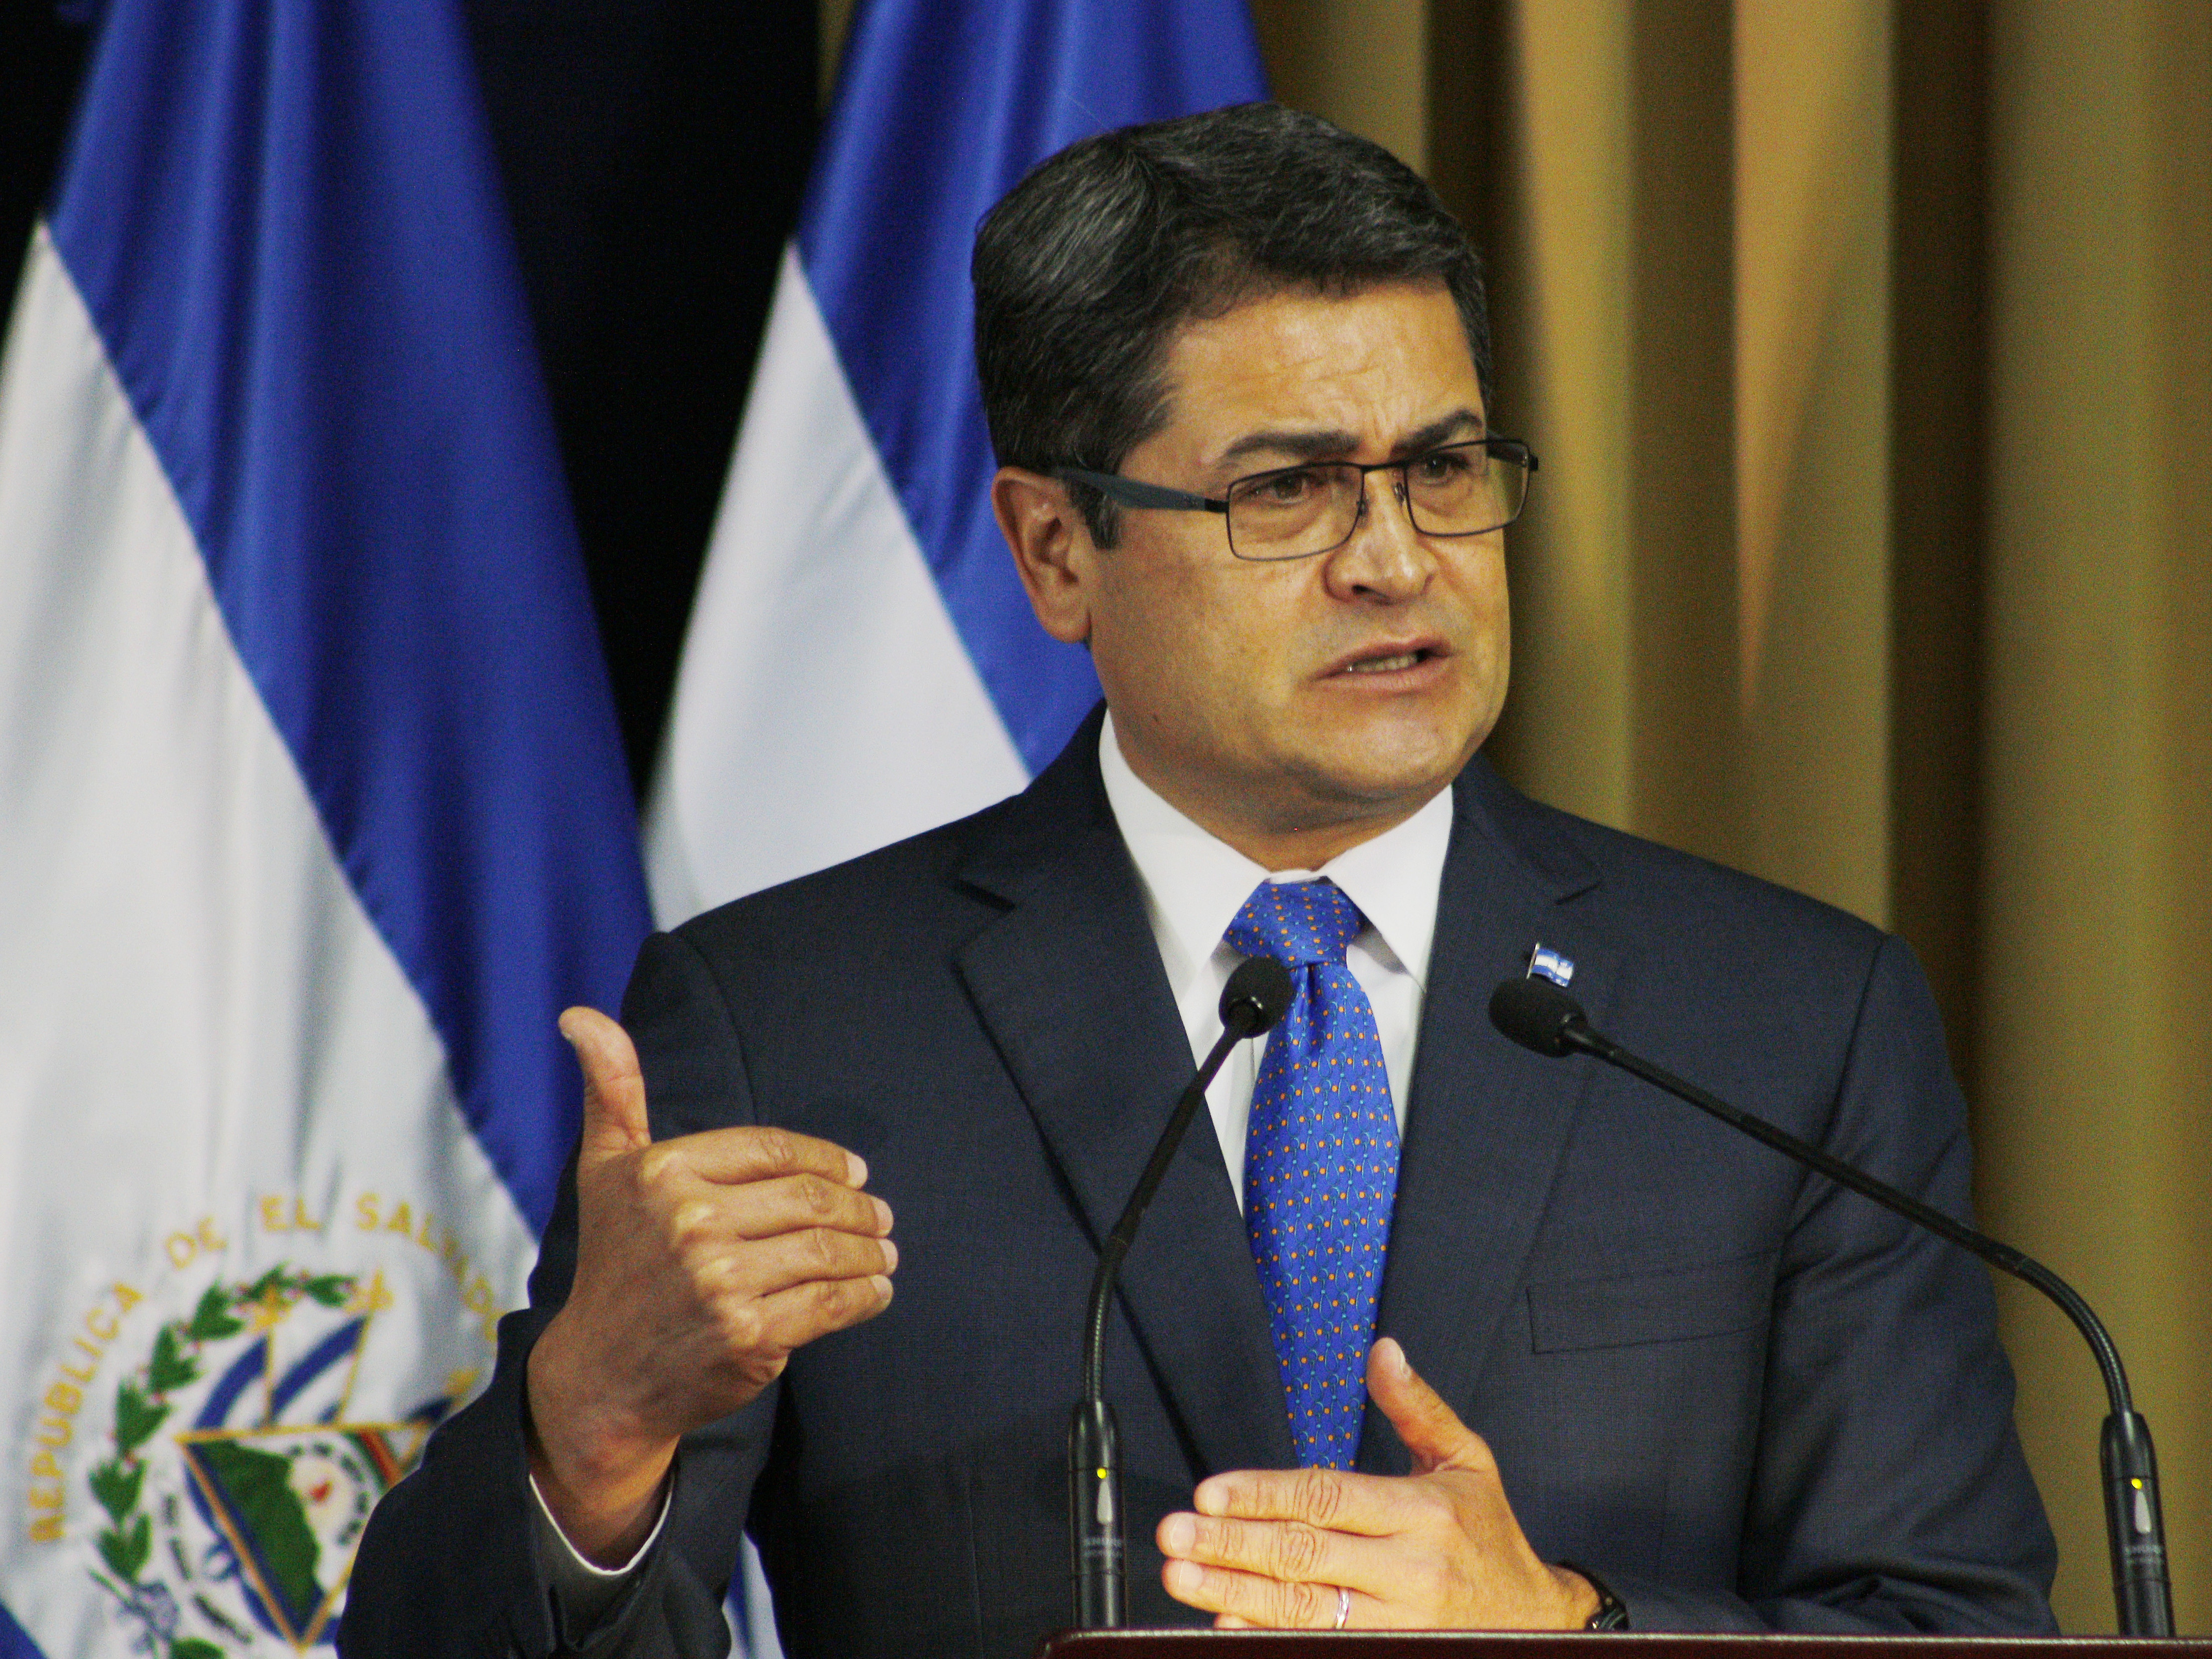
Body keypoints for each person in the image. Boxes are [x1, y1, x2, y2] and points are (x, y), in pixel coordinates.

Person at [342, 103, 2056, 1658]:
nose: (1396, 559)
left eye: (1445, 469)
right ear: (1055, 549)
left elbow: (1956, 1629)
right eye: (1289, 490)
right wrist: (590, 1439)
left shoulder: (1781, 1024)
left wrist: (1568, 1630)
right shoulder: (790, 1024)